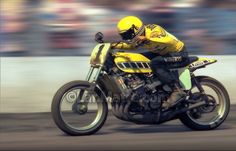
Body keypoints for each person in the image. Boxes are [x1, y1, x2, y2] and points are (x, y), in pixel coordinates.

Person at [111, 16, 189, 108]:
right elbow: (131, 46)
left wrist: (147, 39)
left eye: (127, 34)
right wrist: (111, 45)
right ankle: (146, 86)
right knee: (138, 58)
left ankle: (177, 90)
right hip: (161, 53)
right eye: (124, 35)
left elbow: (168, 40)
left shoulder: (153, 30)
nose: (126, 37)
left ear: (135, 29)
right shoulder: (138, 37)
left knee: (155, 63)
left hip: (178, 53)